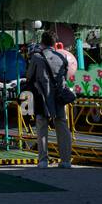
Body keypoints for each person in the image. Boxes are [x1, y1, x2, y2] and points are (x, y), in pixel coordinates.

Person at [26, 31, 73, 168]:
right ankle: (65, 161)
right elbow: (65, 76)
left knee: (42, 126)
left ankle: (43, 160)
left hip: (42, 96)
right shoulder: (62, 56)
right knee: (62, 126)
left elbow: (29, 75)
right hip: (59, 96)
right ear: (54, 43)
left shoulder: (37, 57)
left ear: (42, 42)